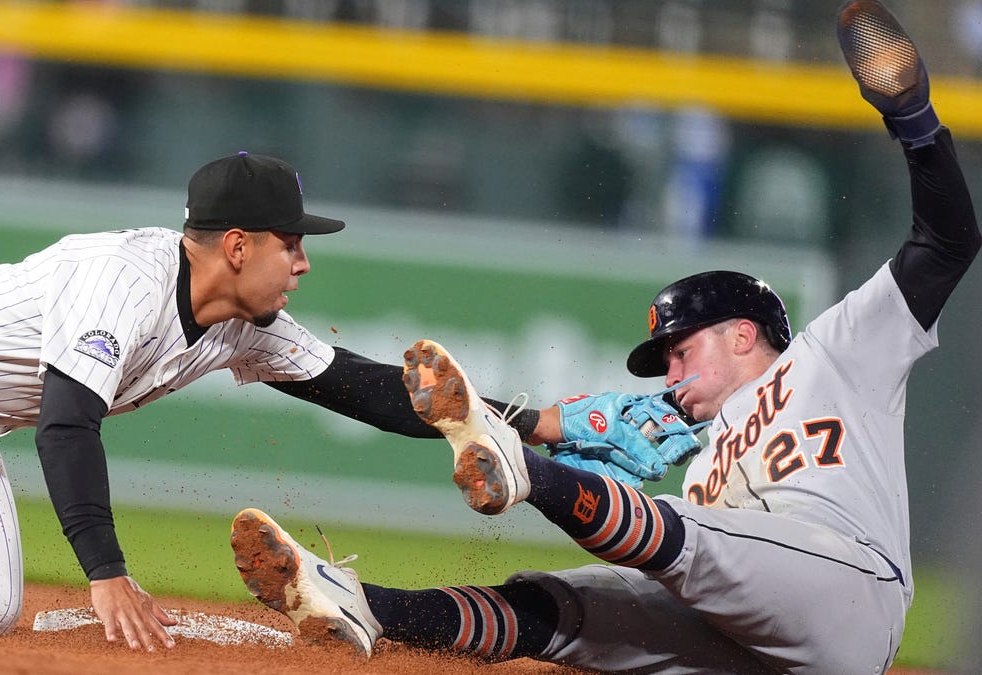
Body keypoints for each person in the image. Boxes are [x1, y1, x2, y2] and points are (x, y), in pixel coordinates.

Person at [230, 2, 980, 672]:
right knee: (571, 605)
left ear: (746, 331)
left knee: (694, 539)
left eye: (682, 350)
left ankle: (526, 474)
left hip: (850, 594)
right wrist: (554, 425)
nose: (672, 372)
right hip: (756, 648)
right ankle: (366, 604)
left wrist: (914, 120)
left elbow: (948, 241)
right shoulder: (704, 456)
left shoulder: (837, 352)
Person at [0, 150, 543, 650]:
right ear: (239, 247)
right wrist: (106, 570)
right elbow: (65, 427)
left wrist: (530, 422)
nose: (304, 264)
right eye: (292, 243)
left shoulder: (242, 325)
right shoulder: (121, 278)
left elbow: (367, 388)